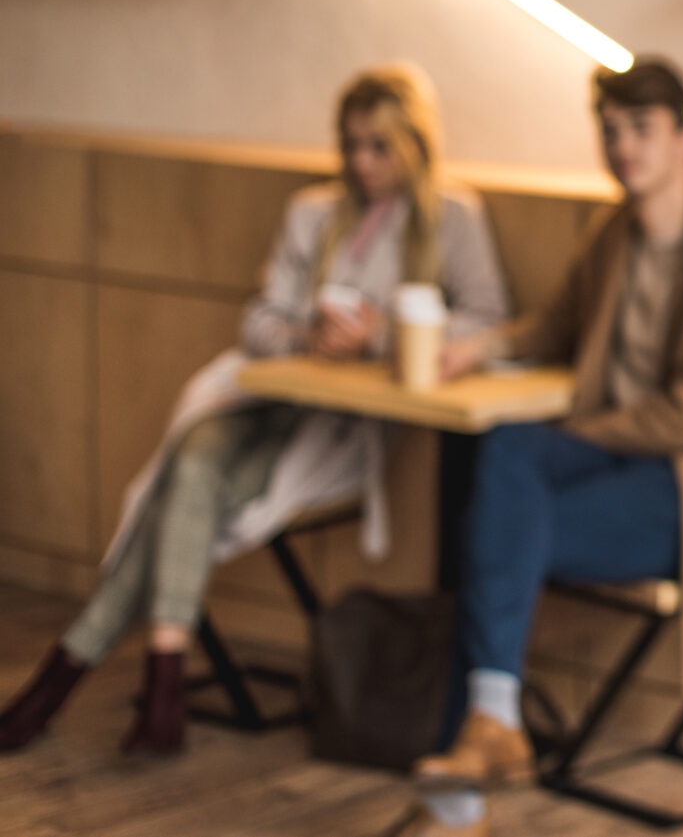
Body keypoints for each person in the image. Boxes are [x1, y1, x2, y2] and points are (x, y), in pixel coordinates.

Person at [0, 63, 511, 757]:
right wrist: (307, 336)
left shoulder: (453, 218)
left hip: (341, 422)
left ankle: (80, 676)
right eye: (351, 145)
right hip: (271, 393)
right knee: (196, 453)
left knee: (183, 486)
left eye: (378, 147)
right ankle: (158, 684)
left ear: (415, 145)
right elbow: (259, 322)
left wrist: (380, 338)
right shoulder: (312, 212)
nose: (362, 163)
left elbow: (486, 320)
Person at [394, 59, 683, 837]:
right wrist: (477, 349)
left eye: (641, 129)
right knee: (506, 460)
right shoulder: (615, 233)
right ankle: (491, 726)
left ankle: (465, 792)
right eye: (610, 130)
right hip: (619, 454)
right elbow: (553, 329)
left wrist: (575, 432)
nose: (622, 147)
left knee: (500, 530)